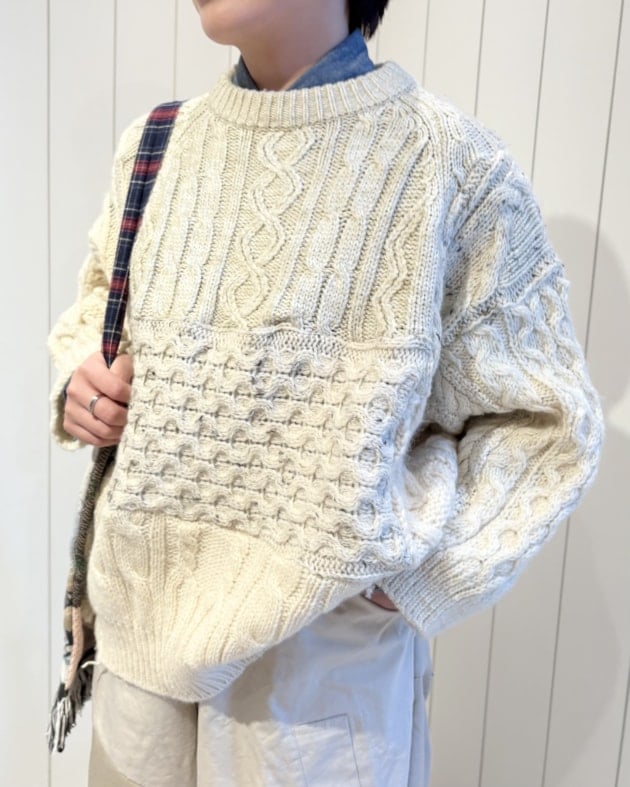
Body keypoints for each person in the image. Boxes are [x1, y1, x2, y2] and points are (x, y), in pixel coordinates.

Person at [48, 0, 604, 784]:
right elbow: (101, 301)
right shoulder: (156, 144)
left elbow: (548, 422)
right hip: (137, 651)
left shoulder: (452, 165)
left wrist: (418, 578)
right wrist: (83, 375)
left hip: (316, 673)